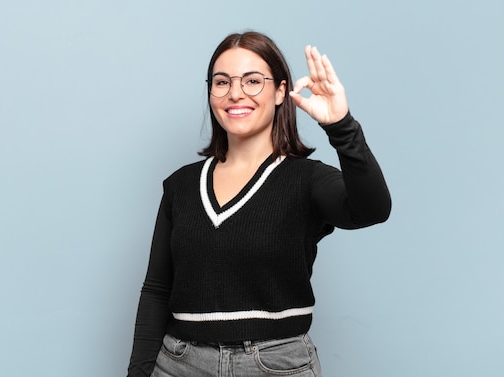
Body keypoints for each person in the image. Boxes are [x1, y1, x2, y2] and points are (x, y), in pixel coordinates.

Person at [127, 31, 391, 377]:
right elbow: (157, 290)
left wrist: (341, 127)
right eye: (222, 82)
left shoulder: (306, 179)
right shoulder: (181, 185)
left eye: (252, 81)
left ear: (281, 90)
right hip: (179, 364)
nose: (235, 93)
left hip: (275, 366)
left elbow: (373, 209)